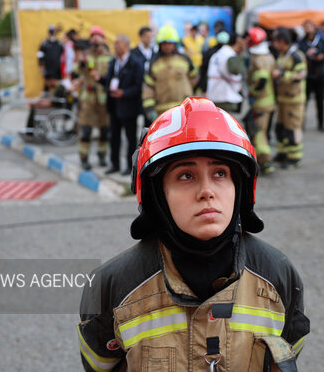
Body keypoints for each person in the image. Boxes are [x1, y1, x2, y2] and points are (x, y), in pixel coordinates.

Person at [79, 97, 309, 371]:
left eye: (221, 173)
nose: (207, 191)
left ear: (241, 187)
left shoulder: (278, 276)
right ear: (157, 194)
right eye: (186, 175)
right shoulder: (112, 286)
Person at [104, 34, 144, 175]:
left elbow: (139, 86)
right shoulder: (113, 62)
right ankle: (114, 164)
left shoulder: (135, 63)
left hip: (129, 106)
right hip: (114, 105)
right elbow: (109, 81)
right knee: (114, 136)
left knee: (130, 138)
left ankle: (130, 166)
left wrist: (124, 93)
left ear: (126, 45)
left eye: (117, 43)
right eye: (114, 43)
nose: (115, 46)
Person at [142, 25, 198, 125]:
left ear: (175, 44)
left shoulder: (185, 59)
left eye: (170, 43)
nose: (167, 46)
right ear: (160, 44)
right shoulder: (154, 63)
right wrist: (150, 109)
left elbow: (194, 78)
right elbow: (148, 89)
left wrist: (186, 91)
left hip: (184, 110)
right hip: (162, 113)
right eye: (164, 43)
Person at [75, 26, 112, 170]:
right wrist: (81, 63)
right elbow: (76, 70)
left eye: (98, 35)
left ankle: (102, 156)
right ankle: (84, 158)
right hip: (88, 100)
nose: (95, 38)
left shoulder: (109, 57)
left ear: (103, 39)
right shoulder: (84, 55)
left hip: (103, 100)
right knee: (85, 130)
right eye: (93, 36)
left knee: (105, 130)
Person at [272, 27, 308, 168]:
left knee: (292, 129)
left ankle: (294, 158)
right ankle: (282, 154)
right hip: (282, 99)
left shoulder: (296, 56)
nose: (274, 44)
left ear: (282, 41)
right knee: (280, 128)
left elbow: (300, 75)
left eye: (275, 41)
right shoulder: (283, 54)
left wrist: (281, 76)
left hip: (294, 100)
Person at [245, 26, 276, 175]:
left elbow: (261, 79)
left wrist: (253, 92)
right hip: (269, 102)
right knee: (262, 131)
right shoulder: (269, 56)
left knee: (258, 132)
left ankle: (265, 161)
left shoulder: (258, 60)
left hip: (260, 103)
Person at [298, 20, 324, 132]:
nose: (308, 29)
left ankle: (321, 124)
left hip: (320, 75)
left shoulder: (321, 40)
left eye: (309, 26)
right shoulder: (301, 42)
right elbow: (299, 54)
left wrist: (322, 57)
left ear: (313, 28)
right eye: (305, 27)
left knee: (320, 101)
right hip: (308, 75)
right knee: (304, 101)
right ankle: (301, 123)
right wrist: (307, 54)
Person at [206, 31, 244, 113]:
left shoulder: (217, 53)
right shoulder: (230, 55)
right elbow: (235, 70)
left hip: (214, 94)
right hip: (226, 95)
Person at [197, 31, 227, 95]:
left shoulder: (209, 52)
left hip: (211, 85)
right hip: (223, 89)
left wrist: (203, 88)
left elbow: (203, 71)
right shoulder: (229, 53)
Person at [38, 25, 64, 93]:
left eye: (53, 32)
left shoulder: (59, 43)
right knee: (48, 84)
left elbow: (64, 56)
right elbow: (40, 55)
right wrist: (41, 65)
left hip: (57, 69)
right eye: (51, 32)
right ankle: (45, 96)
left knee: (57, 85)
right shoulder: (44, 43)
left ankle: (57, 98)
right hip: (48, 68)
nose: (52, 34)